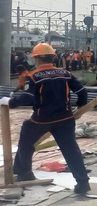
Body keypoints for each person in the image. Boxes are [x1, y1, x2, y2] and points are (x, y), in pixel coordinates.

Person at [0, 43, 90, 194]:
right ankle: (83, 183)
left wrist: (9, 102)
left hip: (42, 120)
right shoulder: (65, 73)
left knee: (26, 138)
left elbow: (28, 98)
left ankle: (24, 172)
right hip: (65, 119)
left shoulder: (34, 76)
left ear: (36, 59)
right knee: (71, 149)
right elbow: (82, 91)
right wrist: (80, 106)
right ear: (53, 57)